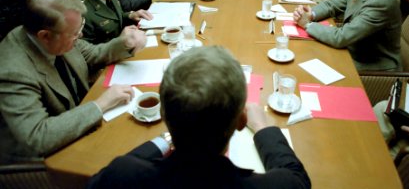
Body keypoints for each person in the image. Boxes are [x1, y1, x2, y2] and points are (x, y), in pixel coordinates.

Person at [87, 46, 311, 189]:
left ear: (163, 114)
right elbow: (297, 177)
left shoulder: (121, 176)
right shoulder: (279, 185)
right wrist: (263, 128)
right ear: (241, 121)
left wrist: (164, 140)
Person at [0, 0, 145, 164]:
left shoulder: (57, 31)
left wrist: (125, 43)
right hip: (42, 162)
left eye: (81, 27)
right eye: (75, 33)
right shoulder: (12, 71)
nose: (80, 36)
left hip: (79, 119)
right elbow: (37, 137)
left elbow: (92, 53)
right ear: (45, 36)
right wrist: (101, 104)